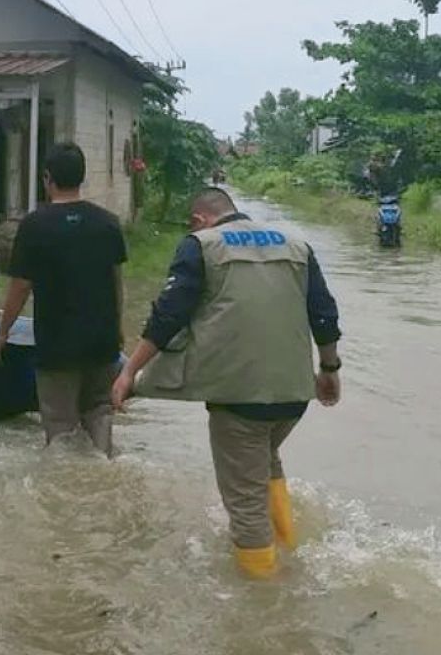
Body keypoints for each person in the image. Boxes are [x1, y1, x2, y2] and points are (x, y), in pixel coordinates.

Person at [111, 188, 342, 578]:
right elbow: (323, 311)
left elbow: (169, 314)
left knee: (245, 503)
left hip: (240, 397)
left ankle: (264, 595)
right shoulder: (296, 244)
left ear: (200, 219)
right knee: (265, 462)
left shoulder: (202, 246)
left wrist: (130, 371)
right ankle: (288, 548)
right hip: (294, 394)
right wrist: (330, 370)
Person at [0, 142, 127, 456]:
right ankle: (103, 474)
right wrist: (118, 328)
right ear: (83, 178)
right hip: (102, 342)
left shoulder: (35, 226)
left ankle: (66, 491)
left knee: (60, 425)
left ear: (47, 178)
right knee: (100, 413)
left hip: (57, 345)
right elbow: (116, 282)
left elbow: (20, 287)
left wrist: (2, 332)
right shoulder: (108, 223)